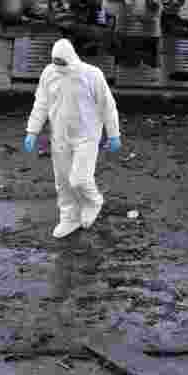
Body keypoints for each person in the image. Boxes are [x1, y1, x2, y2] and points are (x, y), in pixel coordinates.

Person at [23, 39, 121, 239]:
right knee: (63, 181)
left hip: (87, 136)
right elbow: (41, 103)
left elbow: (107, 106)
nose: (58, 66)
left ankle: (93, 202)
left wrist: (113, 134)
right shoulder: (49, 74)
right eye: (55, 62)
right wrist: (32, 130)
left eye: (61, 62)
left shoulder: (92, 75)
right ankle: (69, 217)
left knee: (79, 179)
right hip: (60, 136)